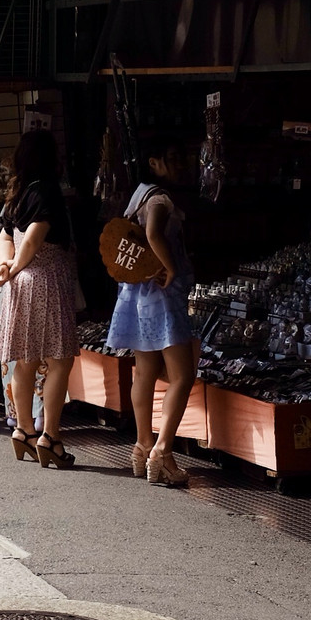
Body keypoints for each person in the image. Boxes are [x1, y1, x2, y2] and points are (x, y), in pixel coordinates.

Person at [106, 137, 195, 486]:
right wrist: (170, 267)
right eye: (172, 157)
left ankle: (142, 445)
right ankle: (163, 450)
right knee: (182, 376)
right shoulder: (159, 198)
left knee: (144, 373)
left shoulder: (137, 194)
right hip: (161, 295)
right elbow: (154, 232)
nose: (180, 164)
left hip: (137, 294)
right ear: (154, 161)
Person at [0, 129, 78, 468]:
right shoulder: (47, 190)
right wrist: (15, 265)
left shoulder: (17, 192)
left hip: (18, 282)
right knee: (59, 359)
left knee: (25, 358)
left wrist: (5, 266)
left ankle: (24, 430)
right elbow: (34, 236)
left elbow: (4, 233)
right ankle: (51, 436)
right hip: (44, 277)